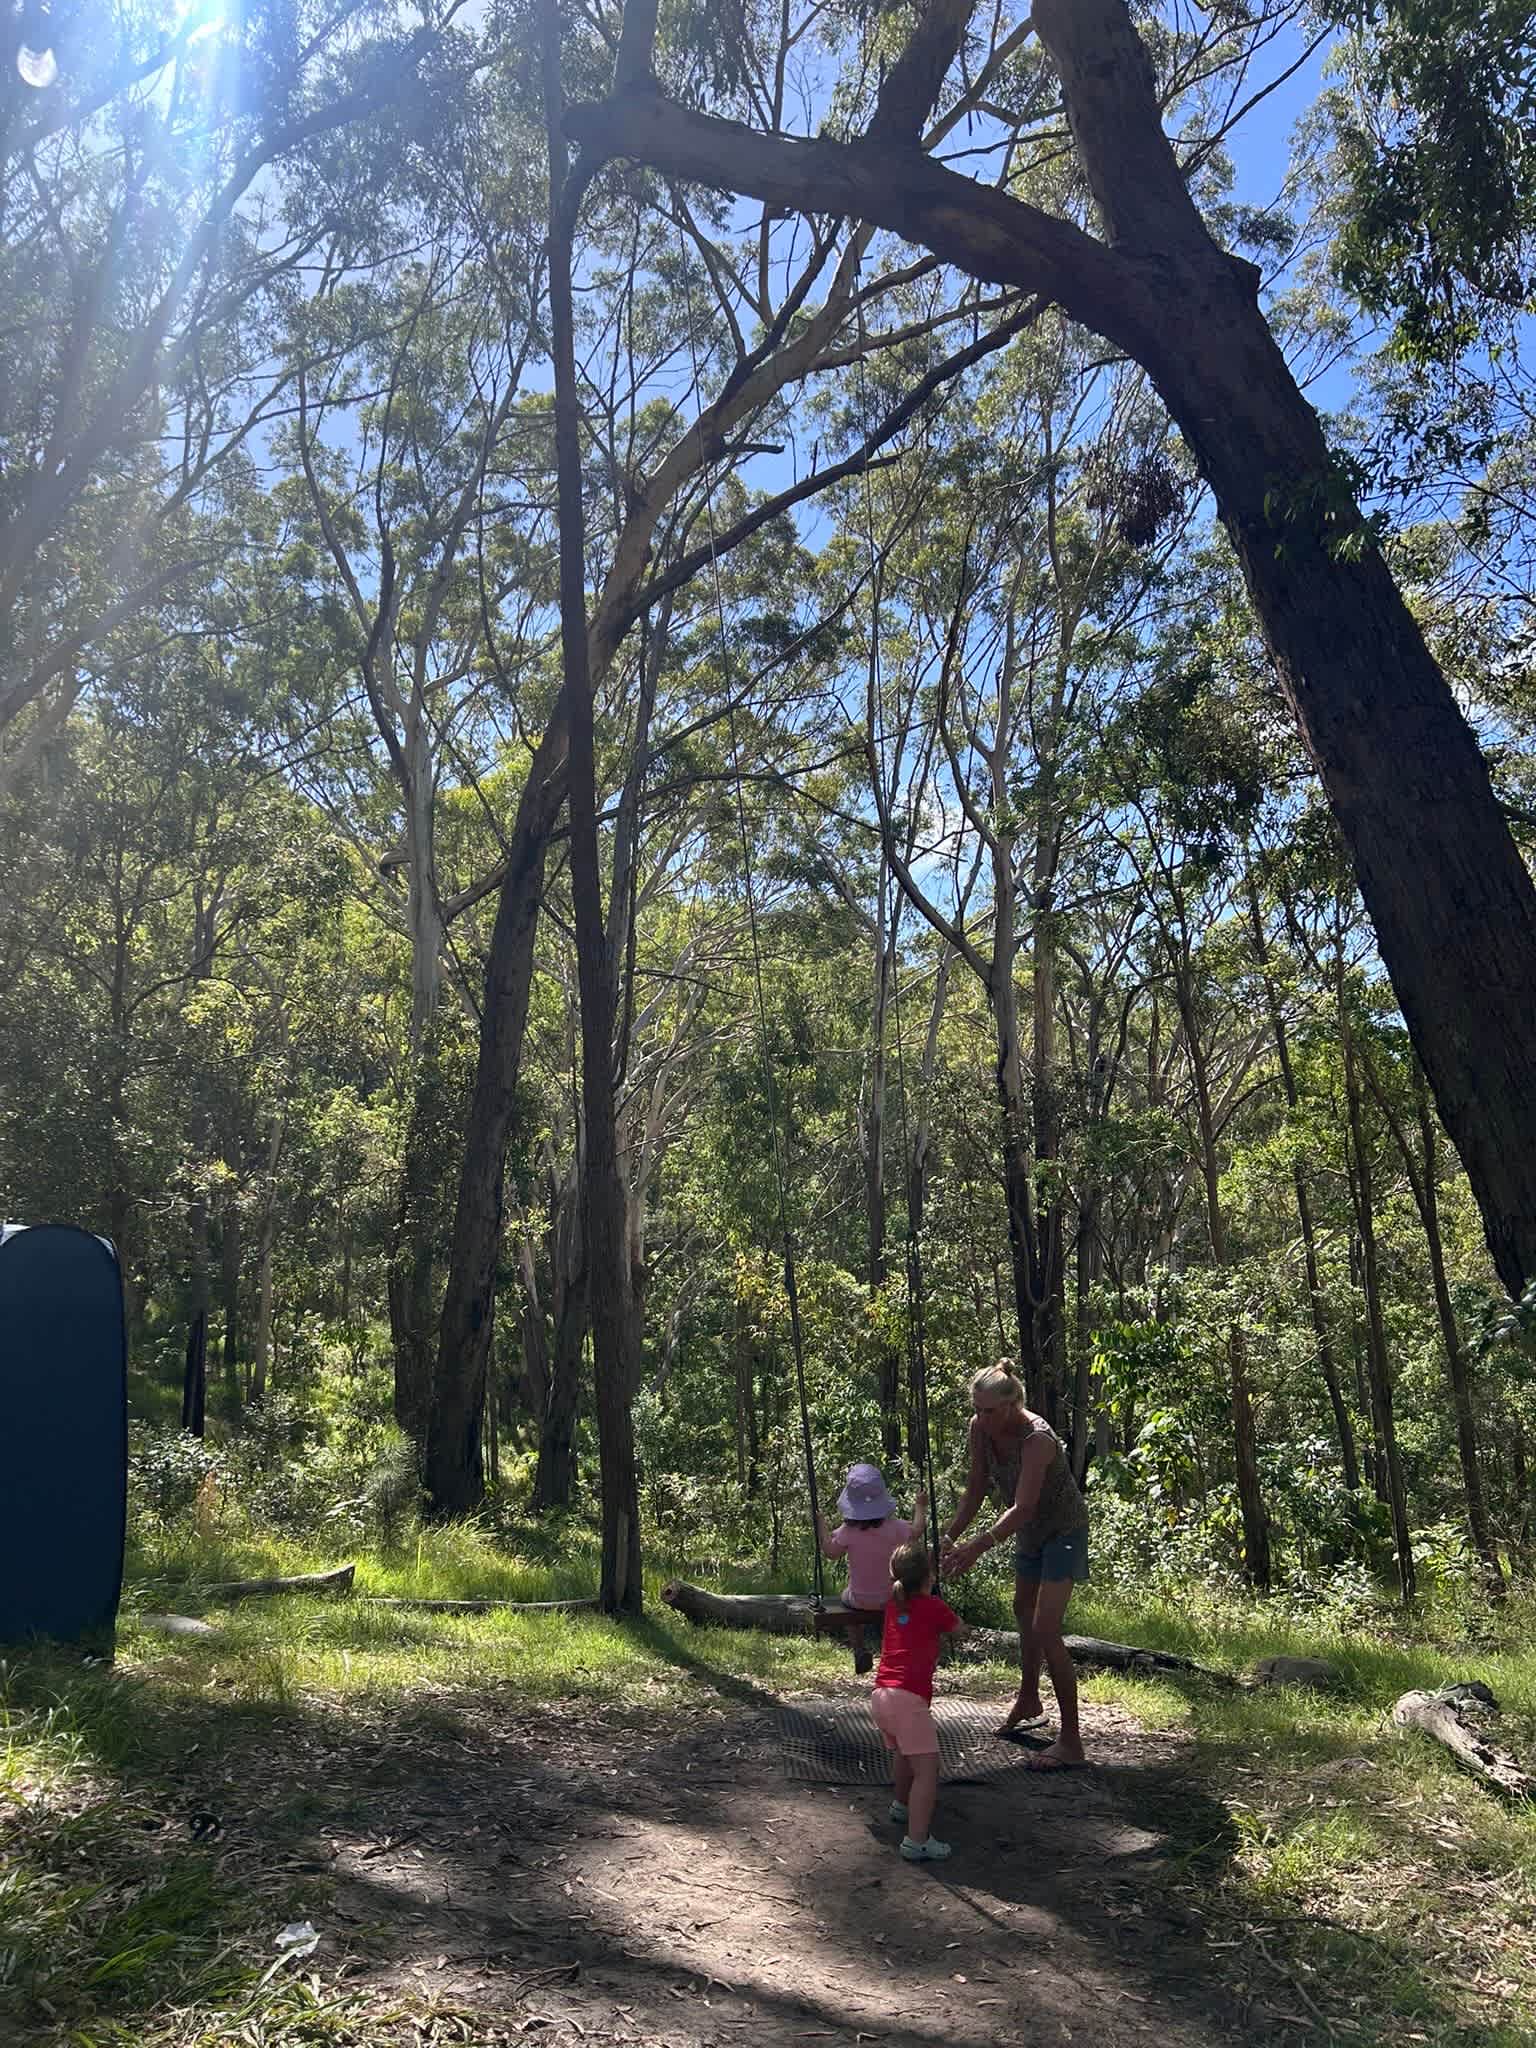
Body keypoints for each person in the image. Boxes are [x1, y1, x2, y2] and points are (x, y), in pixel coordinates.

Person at [940, 1362, 1090, 1770]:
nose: (981, 1417)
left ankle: (1071, 1742)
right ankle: (1028, 1698)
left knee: (1045, 1628)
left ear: (1012, 1405)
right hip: (1030, 1532)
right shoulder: (980, 1429)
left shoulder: (1037, 1439)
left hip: (1063, 1530)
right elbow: (974, 1489)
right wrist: (951, 1536)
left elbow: (1023, 1508)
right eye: (977, 1409)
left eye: (988, 1411)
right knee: (1022, 1610)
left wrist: (978, 1546)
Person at [871, 1539, 966, 1861]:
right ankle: (917, 1840)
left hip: (881, 1695)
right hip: (908, 1698)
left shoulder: (892, 1603)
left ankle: (901, 1805)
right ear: (929, 1576)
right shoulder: (934, 1606)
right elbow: (959, 1630)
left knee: (902, 1751)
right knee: (927, 1770)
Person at [816, 1461, 926, 1674]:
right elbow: (918, 1530)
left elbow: (830, 1552)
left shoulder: (849, 1531)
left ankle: (858, 1648)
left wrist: (821, 1525)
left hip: (860, 1599)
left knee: (846, 1598)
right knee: (898, 1611)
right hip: (892, 1597)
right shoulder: (895, 1528)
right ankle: (894, 1651)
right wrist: (920, 1506)